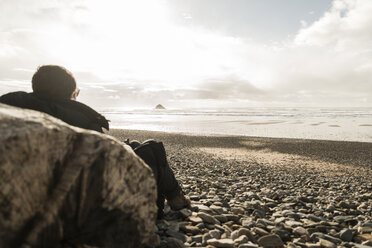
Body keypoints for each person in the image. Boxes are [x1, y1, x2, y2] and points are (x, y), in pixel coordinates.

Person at [0, 65, 190, 218]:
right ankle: (177, 199)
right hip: (74, 212)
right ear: (70, 93)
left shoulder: (11, 112)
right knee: (151, 149)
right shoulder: (80, 120)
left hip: (16, 201)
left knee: (131, 146)